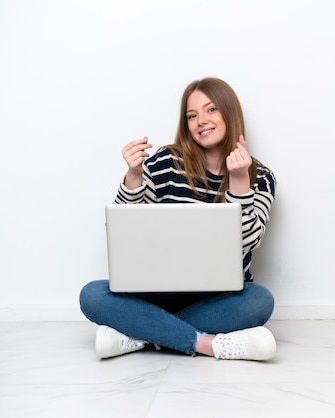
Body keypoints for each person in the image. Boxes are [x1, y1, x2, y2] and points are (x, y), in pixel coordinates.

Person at [79, 77, 277, 361]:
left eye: (210, 110)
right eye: (192, 115)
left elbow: (247, 242)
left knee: (260, 301)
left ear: (229, 113)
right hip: (155, 292)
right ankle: (206, 343)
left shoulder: (261, 177)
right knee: (92, 295)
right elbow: (121, 229)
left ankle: (140, 333)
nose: (201, 121)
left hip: (217, 298)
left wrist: (238, 181)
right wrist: (134, 177)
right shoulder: (165, 162)